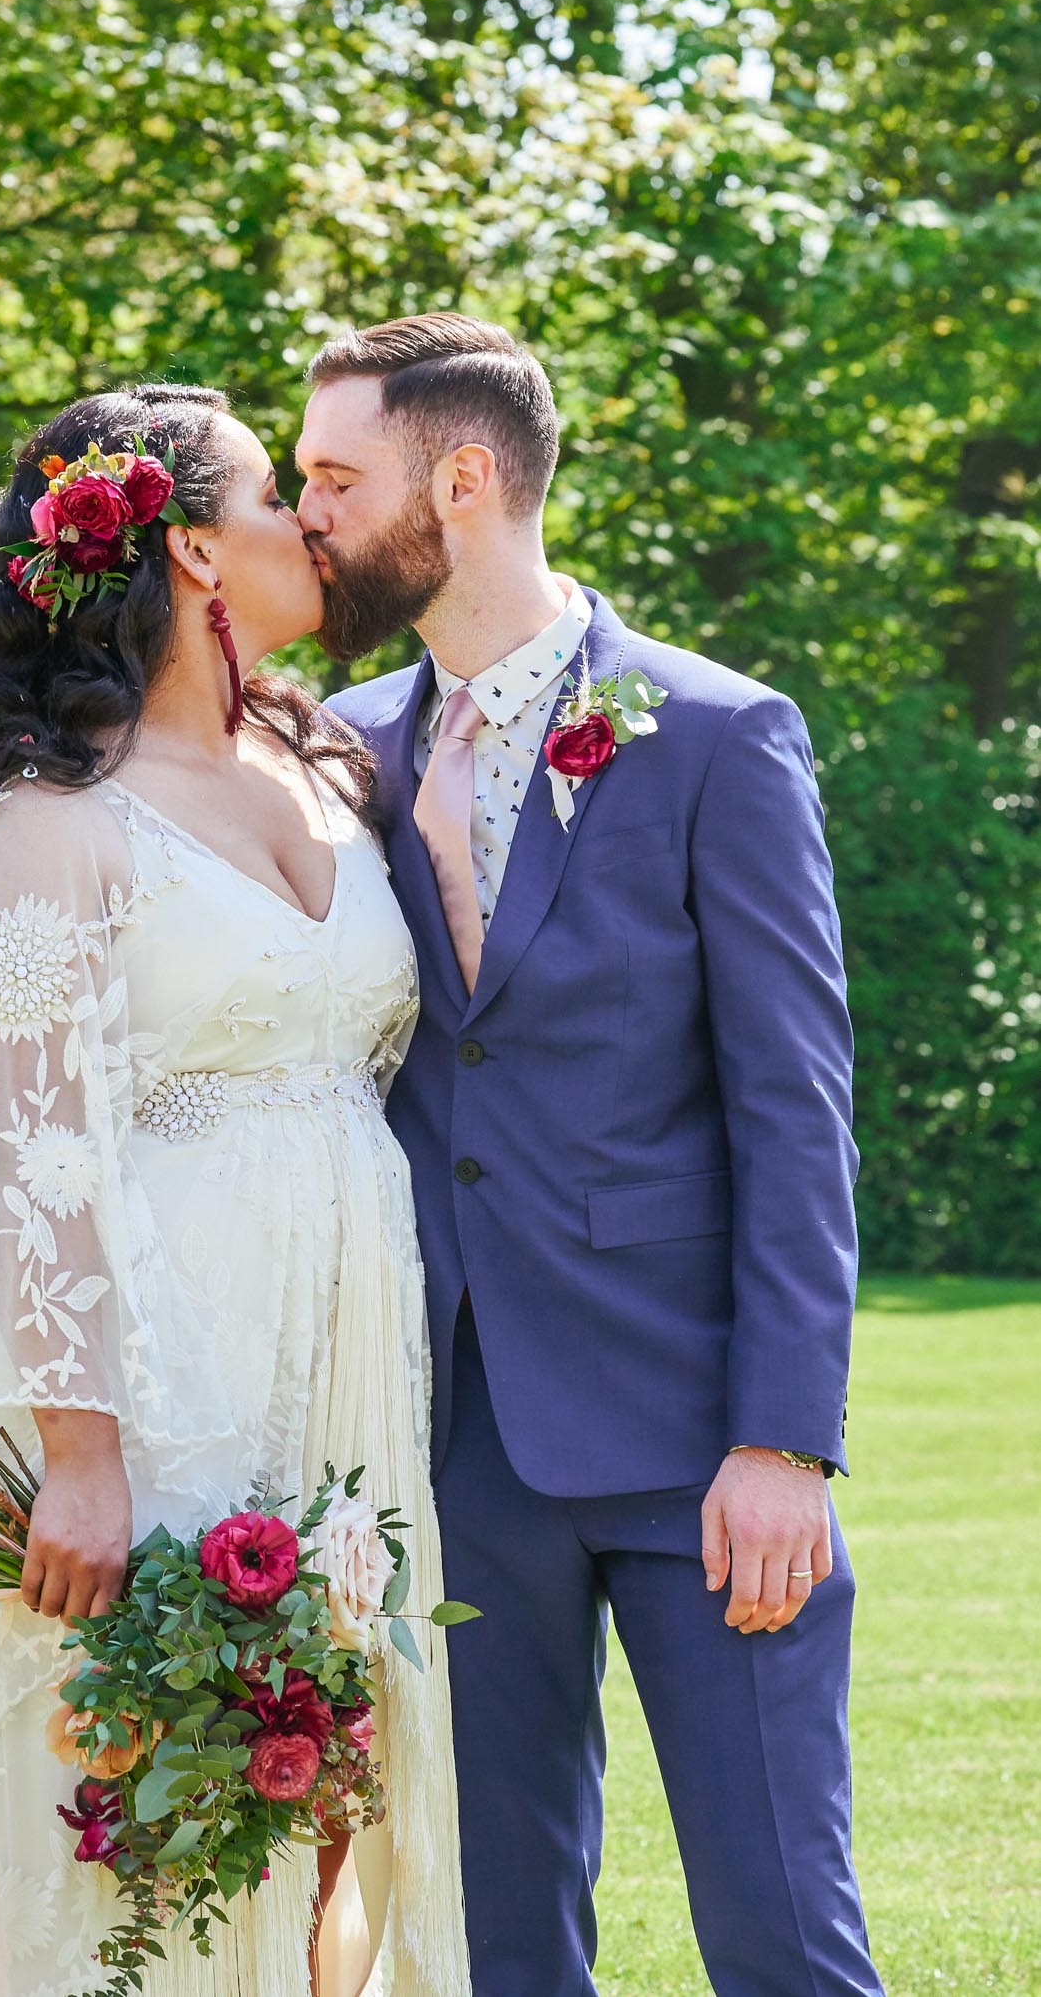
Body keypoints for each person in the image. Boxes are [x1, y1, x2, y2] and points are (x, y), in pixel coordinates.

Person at [0, 385, 470, 1997]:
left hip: (347, 1357)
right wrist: (81, 1458)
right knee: (150, 1813)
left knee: (328, 1804)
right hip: (163, 1369)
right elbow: (27, 1159)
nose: (308, 521)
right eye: (271, 497)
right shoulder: (44, 822)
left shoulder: (327, 769)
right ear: (186, 550)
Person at [304, 313, 884, 1997]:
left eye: (339, 477)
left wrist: (782, 1436)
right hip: (454, 1444)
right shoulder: (337, 747)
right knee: (499, 1935)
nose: (310, 512)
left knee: (779, 1924)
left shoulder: (714, 735)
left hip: (698, 1442)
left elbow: (793, 1108)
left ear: (463, 480)